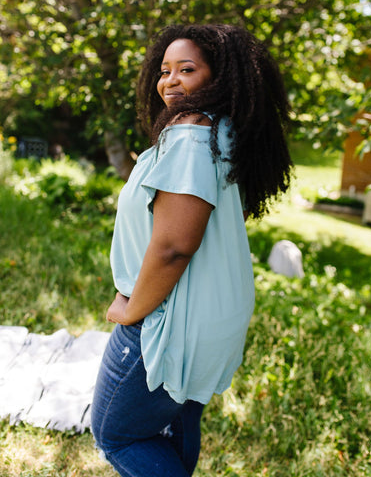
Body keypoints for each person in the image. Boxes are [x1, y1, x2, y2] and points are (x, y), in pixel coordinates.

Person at [91, 24, 292, 477]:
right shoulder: (224, 135)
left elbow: (173, 248)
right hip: (210, 317)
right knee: (178, 420)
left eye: (187, 69)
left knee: (118, 435)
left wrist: (132, 311)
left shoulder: (189, 137)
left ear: (219, 78)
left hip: (168, 322)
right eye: (164, 70)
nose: (170, 81)